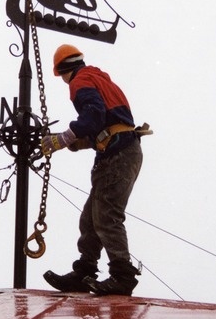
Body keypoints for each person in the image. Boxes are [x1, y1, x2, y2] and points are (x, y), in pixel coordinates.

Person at [41, 44, 148, 296]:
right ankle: (85, 271)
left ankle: (122, 276)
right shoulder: (100, 78)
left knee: (106, 216)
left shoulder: (80, 82)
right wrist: (79, 141)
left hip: (117, 157)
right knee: (91, 217)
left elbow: (93, 116)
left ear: (63, 71)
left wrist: (63, 138)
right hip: (123, 152)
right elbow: (108, 125)